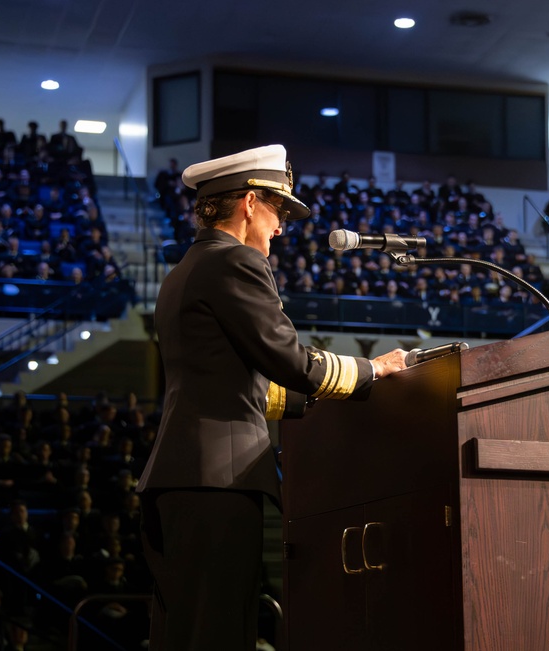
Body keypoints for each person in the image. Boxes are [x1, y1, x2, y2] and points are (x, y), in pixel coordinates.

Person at [137, 144, 408, 651]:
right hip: (217, 480)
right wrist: (374, 370)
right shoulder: (235, 261)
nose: (281, 227)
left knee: (186, 633)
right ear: (248, 202)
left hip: (182, 476)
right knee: (217, 634)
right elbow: (291, 361)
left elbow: (230, 383)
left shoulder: (185, 270)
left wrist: (311, 401)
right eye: (278, 210)